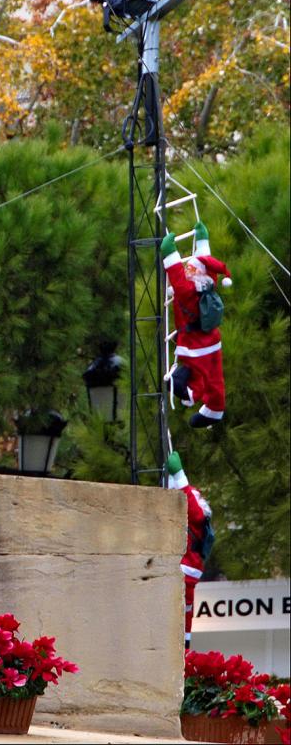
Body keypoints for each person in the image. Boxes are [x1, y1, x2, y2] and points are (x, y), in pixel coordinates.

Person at [161, 220, 232, 428]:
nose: (188, 268)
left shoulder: (188, 291)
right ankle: (213, 408)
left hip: (195, 346)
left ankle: (188, 393)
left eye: (191, 267)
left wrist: (169, 251)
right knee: (214, 377)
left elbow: (176, 274)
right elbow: (206, 259)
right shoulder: (210, 284)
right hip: (212, 341)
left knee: (200, 376)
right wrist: (203, 239)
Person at [166, 451, 214, 650]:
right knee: (182, 612)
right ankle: (183, 645)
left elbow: (191, 507)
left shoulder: (198, 515)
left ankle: (183, 648)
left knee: (182, 611)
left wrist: (179, 475)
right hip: (185, 569)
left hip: (186, 569)